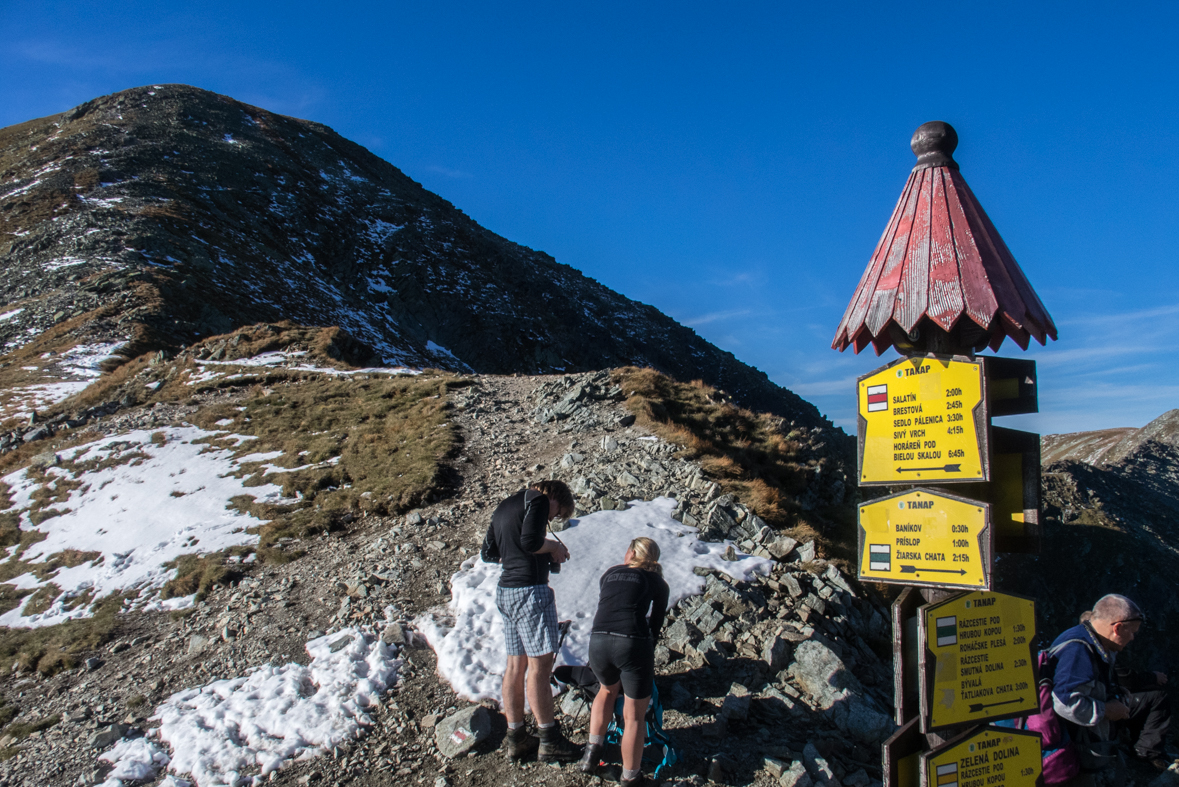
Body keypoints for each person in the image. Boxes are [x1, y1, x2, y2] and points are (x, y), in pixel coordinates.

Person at [482, 479, 580, 762]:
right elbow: (531, 541)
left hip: (506, 592)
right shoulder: (536, 500)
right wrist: (553, 548)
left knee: (515, 665)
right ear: (554, 498)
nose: (551, 518)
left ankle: (517, 737)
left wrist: (518, 554)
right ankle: (549, 740)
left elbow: (488, 553)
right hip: (531, 594)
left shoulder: (503, 507)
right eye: (557, 513)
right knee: (540, 666)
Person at [580, 537, 670, 786]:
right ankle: (630, 777)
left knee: (607, 690)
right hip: (631, 642)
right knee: (634, 715)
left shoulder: (609, 574)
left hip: (597, 641)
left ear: (630, 553)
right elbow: (656, 623)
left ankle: (591, 755)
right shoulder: (658, 582)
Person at [1051, 594, 1172, 777]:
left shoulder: (1094, 643)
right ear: (1117, 628)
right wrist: (1106, 710)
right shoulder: (1078, 650)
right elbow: (1063, 702)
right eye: (1132, 632)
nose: (1132, 638)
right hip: (1073, 752)